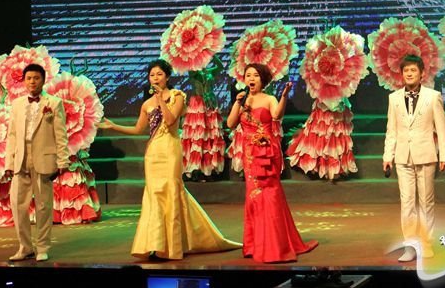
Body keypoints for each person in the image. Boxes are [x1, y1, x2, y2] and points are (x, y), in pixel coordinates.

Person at [98, 59, 240, 259]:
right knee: (154, 195)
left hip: (170, 149)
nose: (155, 78)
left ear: (167, 77)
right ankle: (155, 244)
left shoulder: (177, 96)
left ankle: (173, 246)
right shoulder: (146, 104)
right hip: (153, 152)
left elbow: (171, 119)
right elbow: (138, 129)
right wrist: (114, 126)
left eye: (159, 74)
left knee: (172, 191)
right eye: (152, 75)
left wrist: (161, 100)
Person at [226, 64, 318, 263]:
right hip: (249, 154)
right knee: (253, 195)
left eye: (255, 75)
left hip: (267, 151)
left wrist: (284, 96)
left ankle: (275, 245)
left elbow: (277, 115)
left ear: (263, 79)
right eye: (248, 75)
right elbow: (230, 124)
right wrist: (237, 103)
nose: (251, 79)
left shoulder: (269, 99)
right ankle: (255, 244)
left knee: (270, 194)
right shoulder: (242, 99)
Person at [382, 54, 445, 262]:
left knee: (426, 202)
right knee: (407, 203)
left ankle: (426, 244)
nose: (409, 74)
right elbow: (391, 130)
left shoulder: (433, 96)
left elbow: (441, 128)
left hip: (426, 155)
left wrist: (444, 155)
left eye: (413, 70)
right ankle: (410, 247)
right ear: (402, 74)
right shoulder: (394, 98)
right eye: (406, 71)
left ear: (422, 73)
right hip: (403, 157)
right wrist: (388, 156)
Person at [5, 63, 70, 262]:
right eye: (29, 78)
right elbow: (12, 135)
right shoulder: (17, 104)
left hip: (43, 159)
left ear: (43, 80)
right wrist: (9, 163)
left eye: (36, 78)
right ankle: (25, 247)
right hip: (21, 159)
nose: (32, 82)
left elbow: (60, 134)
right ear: (24, 81)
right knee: (17, 205)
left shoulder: (54, 103)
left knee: (43, 206)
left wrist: (63, 161)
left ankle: (42, 246)